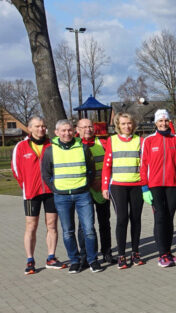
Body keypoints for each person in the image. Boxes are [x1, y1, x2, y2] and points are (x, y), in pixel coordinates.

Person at [41, 119, 99, 273]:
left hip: (82, 195)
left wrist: (86, 185)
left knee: (89, 230)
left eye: (69, 130)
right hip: (62, 196)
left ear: (74, 131)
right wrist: (55, 188)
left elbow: (91, 169)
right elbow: (45, 174)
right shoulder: (49, 150)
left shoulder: (83, 147)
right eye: (63, 130)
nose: (67, 133)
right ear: (56, 132)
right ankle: (75, 260)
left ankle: (93, 260)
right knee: (68, 231)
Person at [140, 109, 176, 268]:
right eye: (160, 121)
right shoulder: (148, 141)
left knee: (169, 218)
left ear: (169, 122)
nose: (163, 124)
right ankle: (162, 254)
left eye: (165, 121)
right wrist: (144, 188)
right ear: (155, 123)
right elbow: (143, 165)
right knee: (160, 218)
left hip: (173, 185)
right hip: (154, 186)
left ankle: (168, 252)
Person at [14, 116, 60, 274]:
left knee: (52, 225)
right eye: (38, 126)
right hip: (31, 193)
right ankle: (30, 260)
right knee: (31, 226)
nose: (41, 129)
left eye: (43, 126)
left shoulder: (52, 145)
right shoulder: (21, 146)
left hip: (51, 192)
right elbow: (16, 169)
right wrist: (26, 185)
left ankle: (51, 257)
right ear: (30, 128)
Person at [102, 112, 145, 268]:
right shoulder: (112, 141)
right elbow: (107, 166)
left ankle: (135, 252)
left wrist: (145, 185)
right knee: (122, 219)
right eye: (123, 124)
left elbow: (144, 165)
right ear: (118, 125)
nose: (127, 126)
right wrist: (104, 187)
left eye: (129, 123)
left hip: (137, 186)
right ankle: (121, 255)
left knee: (136, 219)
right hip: (118, 186)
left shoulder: (140, 141)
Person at [75, 117, 112, 265]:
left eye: (90, 126)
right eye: (83, 127)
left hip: (102, 190)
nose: (87, 130)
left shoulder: (103, 143)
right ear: (77, 130)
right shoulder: (75, 146)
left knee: (104, 223)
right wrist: (90, 183)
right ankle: (85, 255)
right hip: (84, 191)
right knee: (84, 225)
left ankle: (107, 253)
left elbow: (109, 165)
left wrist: (103, 184)